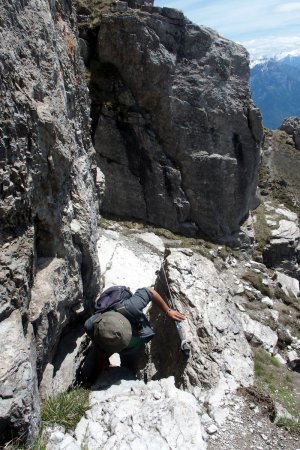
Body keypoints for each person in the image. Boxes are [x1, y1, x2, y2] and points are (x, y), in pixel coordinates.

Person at [84, 286, 185, 375]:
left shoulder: (131, 307)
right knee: (89, 371)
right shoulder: (91, 325)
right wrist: (103, 358)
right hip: (107, 345)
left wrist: (168, 311)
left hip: (134, 347)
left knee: (129, 371)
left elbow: (150, 291)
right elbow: (97, 343)